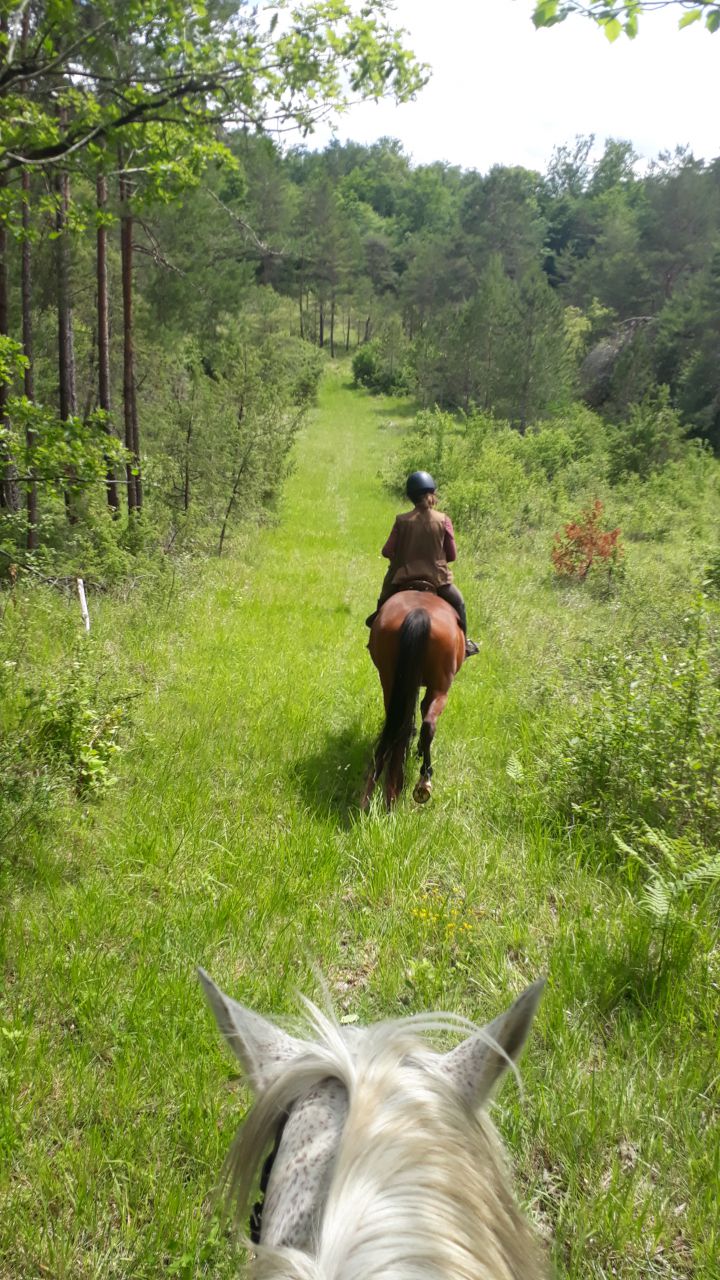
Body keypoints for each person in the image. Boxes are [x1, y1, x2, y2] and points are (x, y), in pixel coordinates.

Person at [366, 470, 479, 657]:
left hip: (403, 578)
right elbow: (452, 555)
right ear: (431, 494)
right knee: (459, 602)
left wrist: (402, 557)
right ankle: (465, 645)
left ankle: (375, 636)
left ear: (411, 497)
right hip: (437, 580)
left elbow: (386, 551)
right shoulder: (443, 520)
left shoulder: (402, 520)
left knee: (384, 599)